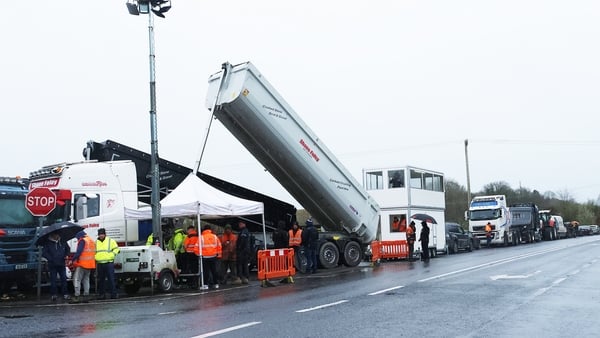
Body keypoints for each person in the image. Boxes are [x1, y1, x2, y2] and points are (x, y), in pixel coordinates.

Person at [42, 232, 71, 301]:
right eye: (56, 235)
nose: (57, 236)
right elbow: (44, 253)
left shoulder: (63, 241)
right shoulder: (48, 243)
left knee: (64, 279)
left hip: (61, 263)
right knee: (53, 280)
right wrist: (51, 259)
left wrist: (66, 255)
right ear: (53, 235)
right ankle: (54, 294)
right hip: (52, 264)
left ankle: (65, 293)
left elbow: (68, 249)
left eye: (58, 235)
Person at [70, 230, 96, 303]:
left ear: (79, 236)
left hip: (82, 264)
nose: (77, 239)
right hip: (90, 264)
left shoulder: (82, 240)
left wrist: (73, 259)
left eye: (77, 238)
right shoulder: (90, 240)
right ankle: (86, 295)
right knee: (86, 279)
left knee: (77, 279)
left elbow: (79, 252)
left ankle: (77, 296)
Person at [95, 228, 120, 300]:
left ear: (105, 234)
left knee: (111, 279)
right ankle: (102, 295)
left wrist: (112, 254)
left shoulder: (110, 241)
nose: (101, 236)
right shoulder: (96, 242)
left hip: (109, 262)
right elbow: (93, 251)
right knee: (101, 280)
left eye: (102, 234)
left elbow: (116, 249)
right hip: (100, 263)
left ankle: (113, 294)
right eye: (100, 234)